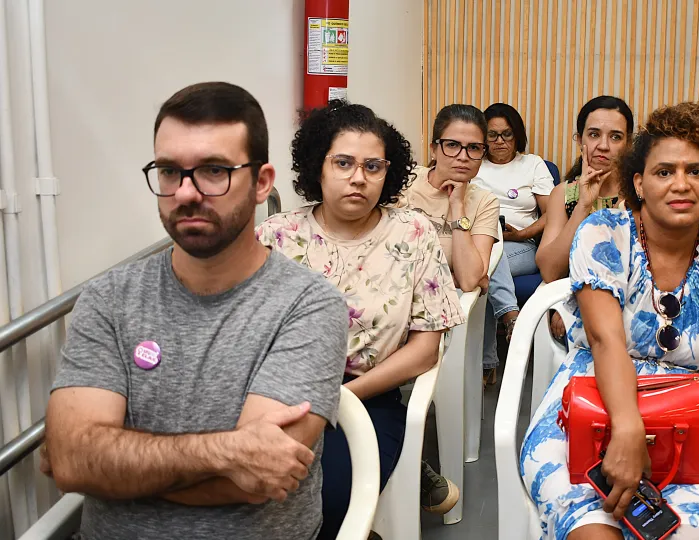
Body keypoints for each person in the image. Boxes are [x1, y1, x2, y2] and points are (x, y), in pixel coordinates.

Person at [42, 82, 348, 539]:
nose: (185, 192)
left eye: (213, 170)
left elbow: (259, 477)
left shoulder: (307, 306)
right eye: (169, 171)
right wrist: (226, 452)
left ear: (262, 183)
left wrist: (110, 466)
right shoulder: (109, 299)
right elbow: (71, 460)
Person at [521, 102, 699, 540]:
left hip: (683, 422)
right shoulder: (604, 230)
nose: (681, 184)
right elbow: (605, 339)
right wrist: (628, 429)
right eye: (664, 171)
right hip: (586, 407)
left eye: (697, 171)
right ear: (639, 181)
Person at [257, 101, 466, 536]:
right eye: (344, 163)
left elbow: (425, 348)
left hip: (368, 399)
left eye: (373, 166)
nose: (358, 178)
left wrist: (342, 397)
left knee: (326, 499)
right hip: (276, 396)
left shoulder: (413, 233)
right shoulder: (276, 235)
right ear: (318, 166)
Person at [536, 96, 633, 341]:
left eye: (615, 137)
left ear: (629, 144)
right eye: (593, 134)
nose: (603, 146)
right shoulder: (564, 194)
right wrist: (583, 205)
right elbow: (549, 270)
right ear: (580, 140)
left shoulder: (641, 192)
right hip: (573, 291)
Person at [473, 102, 555, 384]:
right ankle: (511, 319)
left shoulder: (533, 164)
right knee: (483, 267)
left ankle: (486, 363)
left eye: (506, 135)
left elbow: (551, 215)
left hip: (522, 245)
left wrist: (520, 233)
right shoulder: (473, 165)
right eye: (492, 135)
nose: (499, 142)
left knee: (482, 268)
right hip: (481, 243)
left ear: (517, 136)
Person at [396, 104, 500, 294]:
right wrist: (445, 276)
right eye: (452, 145)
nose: (463, 157)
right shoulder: (403, 182)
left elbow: (468, 281)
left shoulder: (485, 201)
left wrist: (457, 205)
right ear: (434, 149)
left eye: (474, 148)